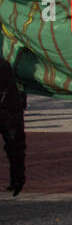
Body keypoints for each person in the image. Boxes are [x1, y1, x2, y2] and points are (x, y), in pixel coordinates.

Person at [0, 49, 25, 196]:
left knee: (14, 143)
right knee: (14, 143)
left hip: (7, 110)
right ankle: (17, 178)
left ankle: (17, 177)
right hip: (8, 112)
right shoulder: (4, 67)